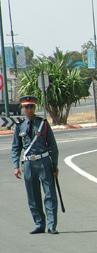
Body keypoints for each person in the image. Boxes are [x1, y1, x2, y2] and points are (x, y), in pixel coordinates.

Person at [11, 96, 60, 234]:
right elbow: (16, 148)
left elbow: (53, 146)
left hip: (44, 162)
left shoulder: (43, 124)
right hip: (28, 164)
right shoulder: (19, 126)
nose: (29, 109)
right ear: (22, 108)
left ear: (35, 107)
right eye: (26, 107)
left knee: (50, 194)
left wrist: (54, 165)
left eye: (31, 106)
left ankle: (51, 225)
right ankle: (39, 224)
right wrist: (16, 166)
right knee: (33, 196)